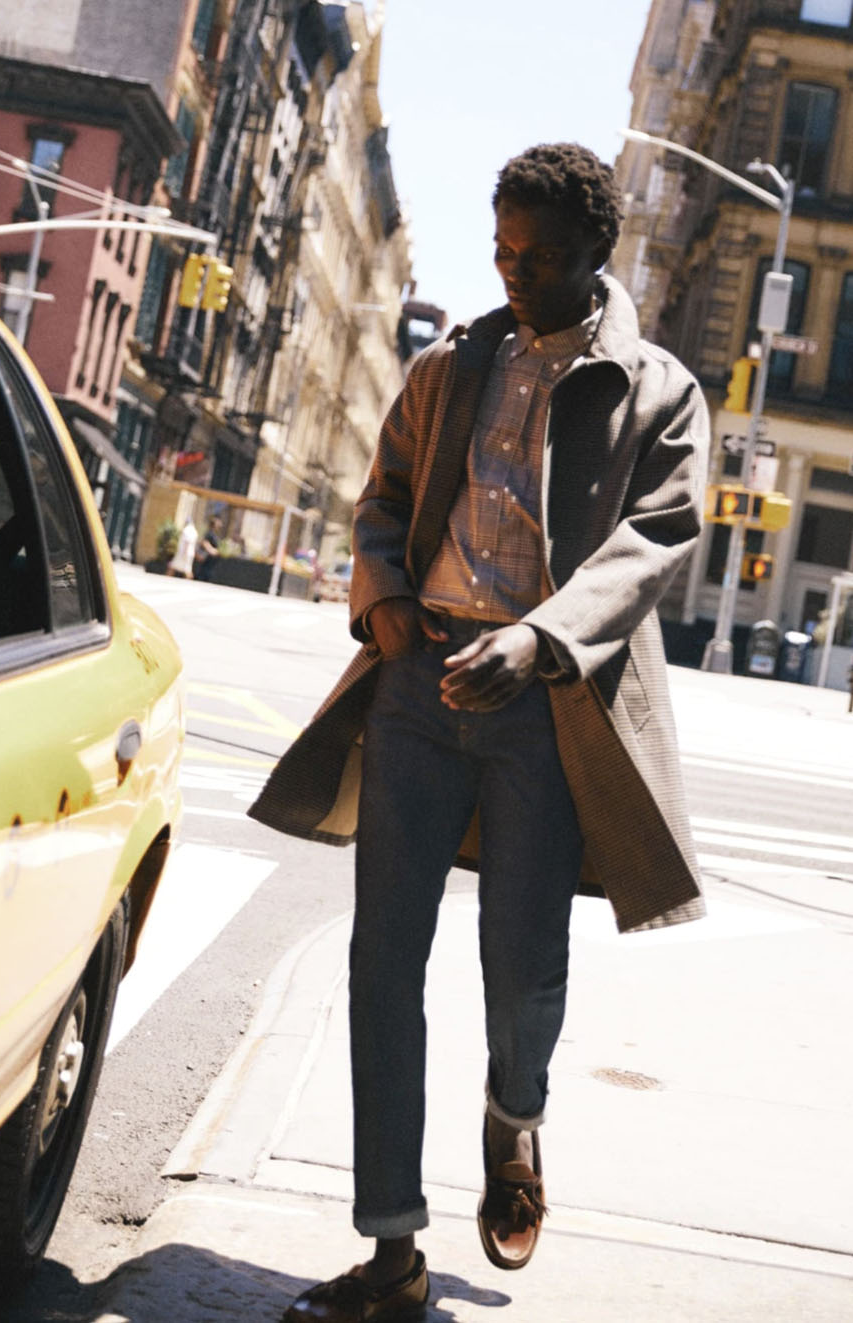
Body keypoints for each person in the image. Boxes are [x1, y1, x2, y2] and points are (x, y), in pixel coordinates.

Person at [249, 143, 710, 1322]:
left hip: (543, 702)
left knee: (521, 961)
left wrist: (540, 640)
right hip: (417, 683)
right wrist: (384, 598)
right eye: (502, 249)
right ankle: (390, 1251)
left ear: (596, 251)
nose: (514, 272)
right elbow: (382, 501)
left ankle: (515, 1116)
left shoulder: (657, 390)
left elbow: (656, 538)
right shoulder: (450, 363)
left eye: (540, 255)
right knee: (379, 962)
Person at [193, 516, 221, 581]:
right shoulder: (209, 533)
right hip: (207, 558)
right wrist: (213, 551)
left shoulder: (214, 534)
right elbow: (205, 543)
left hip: (211, 560)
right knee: (203, 575)